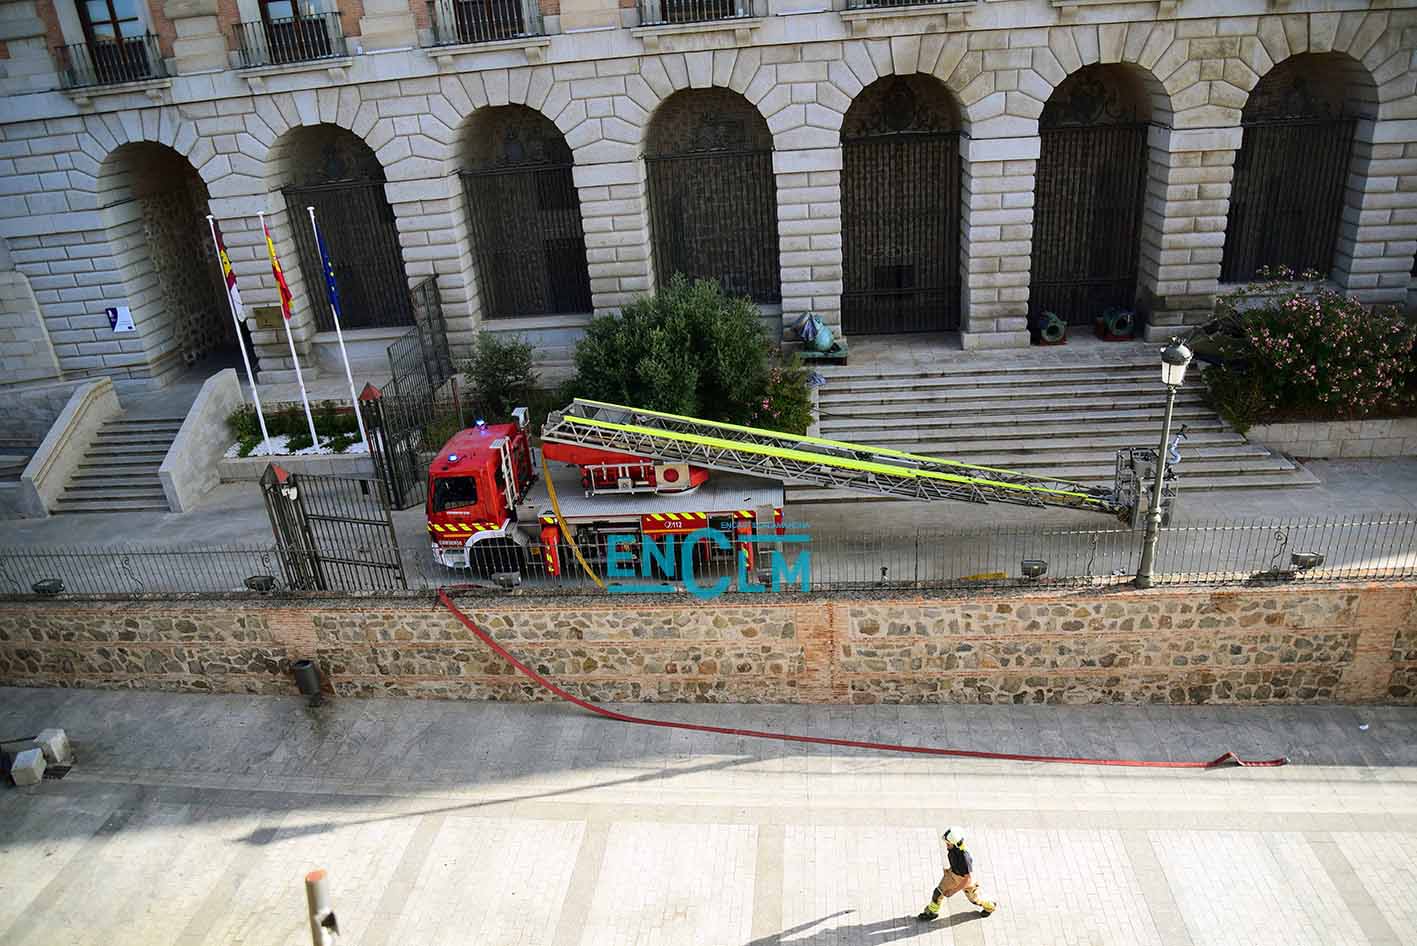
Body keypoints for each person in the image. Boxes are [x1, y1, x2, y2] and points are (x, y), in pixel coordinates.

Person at [916, 828, 997, 921]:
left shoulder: (964, 858)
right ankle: (932, 912)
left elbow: (967, 879)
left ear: (955, 844)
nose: (946, 845)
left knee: (975, 900)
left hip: (965, 882)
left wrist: (953, 891)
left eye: (948, 843)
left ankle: (990, 906)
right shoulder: (953, 849)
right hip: (953, 875)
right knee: (938, 892)